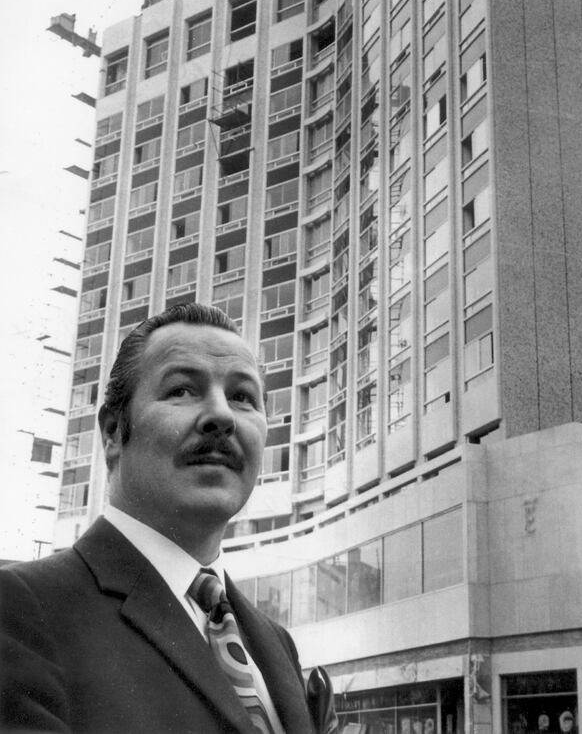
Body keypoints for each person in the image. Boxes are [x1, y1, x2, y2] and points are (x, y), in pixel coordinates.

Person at [0, 303, 334, 734]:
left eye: (242, 397)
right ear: (113, 432)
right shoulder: (22, 611)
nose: (222, 415)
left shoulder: (277, 644)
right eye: (181, 390)